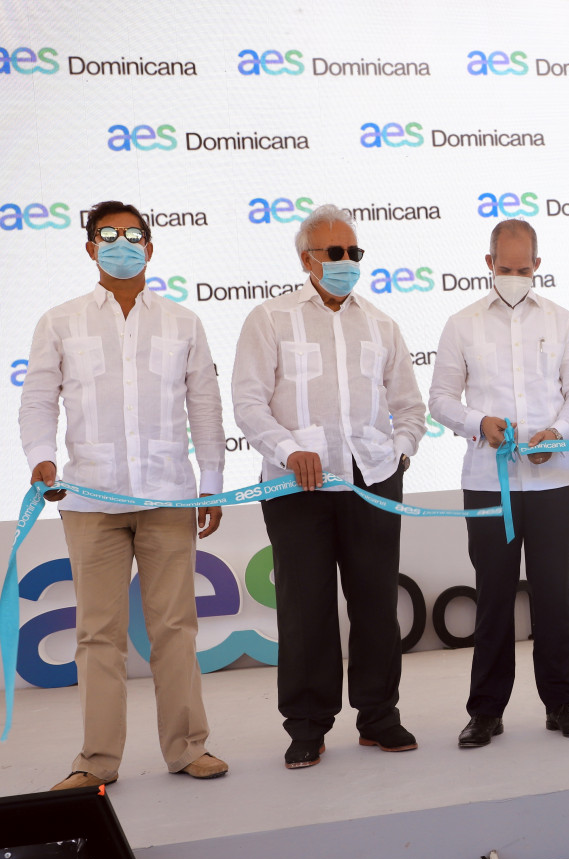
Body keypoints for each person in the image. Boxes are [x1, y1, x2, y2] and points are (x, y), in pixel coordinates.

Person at [20, 200, 228, 789]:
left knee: (175, 629)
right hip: (90, 501)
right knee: (97, 636)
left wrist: (210, 484)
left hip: (168, 498)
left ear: (150, 247)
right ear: (91, 248)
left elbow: (205, 406)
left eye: (132, 235)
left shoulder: (182, 322)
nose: (120, 243)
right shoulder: (60, 321)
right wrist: (41, 458)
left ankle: (188, 749)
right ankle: (96, 761)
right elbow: (38, 399)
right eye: (107, 235)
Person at [231, 204, 427, 769]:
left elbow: (409, 406)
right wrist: (286, 450)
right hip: (296, 486)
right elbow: (248, 401)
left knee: (375, 605)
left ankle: (379, 717)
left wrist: (400, 455)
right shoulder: (269, 319)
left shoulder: (382, 324)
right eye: (334, 252)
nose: (347, 262)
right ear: (306, 259)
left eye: (353, 252)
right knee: (304, 608)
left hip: (372, 483)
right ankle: (307, 726)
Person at [429, 220, 569, 748]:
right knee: (494, 597)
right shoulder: (461, 324)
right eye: (505, 268)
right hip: (488, 482)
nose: (515, 277)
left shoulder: (563, 321)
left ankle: (562, 703)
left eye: (524, 269)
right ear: (489, 264)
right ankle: (485, 711)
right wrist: (478, 422)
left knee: (554, 597)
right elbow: (440, 399)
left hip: (554, 481)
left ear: (538, 266)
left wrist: (559, 433)